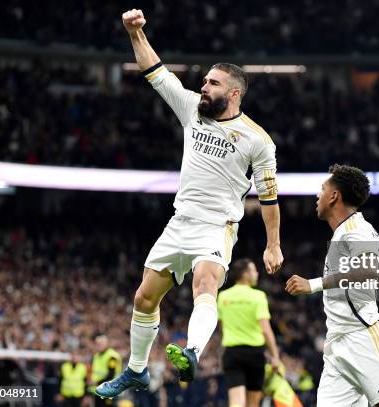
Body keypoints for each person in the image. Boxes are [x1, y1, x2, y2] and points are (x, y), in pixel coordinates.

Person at [95, 8, 283, 399]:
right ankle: (136, 371)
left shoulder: (257, 140)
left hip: (217, 226)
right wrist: (135, 33)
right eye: (204, 81)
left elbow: (269, 197)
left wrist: (273, 244)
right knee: (144, 297)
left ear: (233, 93)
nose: (204, 88)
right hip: (180, 222)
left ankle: (192, 352)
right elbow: (155, 70)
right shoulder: (191, 110)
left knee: (205, 283)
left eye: (212, 83)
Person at [285, 164, 379, 406]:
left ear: (334, 196)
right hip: (337, 346)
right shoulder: (345, 234)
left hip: (364, 339)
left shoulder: (357, 230)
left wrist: (312, 285)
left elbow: (366, 269)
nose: (317, 195)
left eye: (322, 189)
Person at [218, 258, 281, 407]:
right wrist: (275, 356)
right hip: (255, 354)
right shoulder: (258, 296)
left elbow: (222, 326)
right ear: (245, 274)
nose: (257, 274)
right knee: (253, 404)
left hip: (232, 353)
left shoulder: (223, 296)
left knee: (236, 402)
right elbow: (266, 330)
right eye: (254, 271)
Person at [91, 335, 122, 406]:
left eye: (101, 343)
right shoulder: (96, 356)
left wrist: (97, 382)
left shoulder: (112, 356)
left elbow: (111, 374)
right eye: (97, 343)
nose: (98, 345)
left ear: (106, 343)